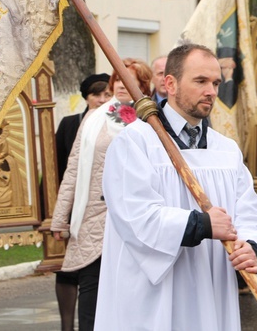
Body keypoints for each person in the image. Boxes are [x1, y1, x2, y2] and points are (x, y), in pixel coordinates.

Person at [94, 44, 257, 330]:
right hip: (155, 296)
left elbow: (248, 212)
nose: (211, 91)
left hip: (213, 288)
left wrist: (250, 246)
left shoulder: (227, 150)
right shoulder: (135, 143)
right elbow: (136, 217)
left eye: (215, 83)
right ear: (170, 84)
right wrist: (202, 225)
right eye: (200, 81)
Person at [51, 59, 152, 331]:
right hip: (93, 217)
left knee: (130, 297)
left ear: (142, 85)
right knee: (91, 296)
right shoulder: (96, 117)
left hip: (133, 219)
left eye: (129, 79)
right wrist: (60, 218)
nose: (120, 84)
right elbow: (73, 168)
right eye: (117, 79)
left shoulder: (152, 118)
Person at [52, 73, 110, 331]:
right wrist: (58, 213)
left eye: (107, 94)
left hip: (100, 208)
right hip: (75, 206)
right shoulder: (71, 122)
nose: (102, 99)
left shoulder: (120, 120)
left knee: (94, 278)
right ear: (86, 97)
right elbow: (64, 168)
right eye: (96, 94)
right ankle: (67, 325)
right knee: (69, 272)